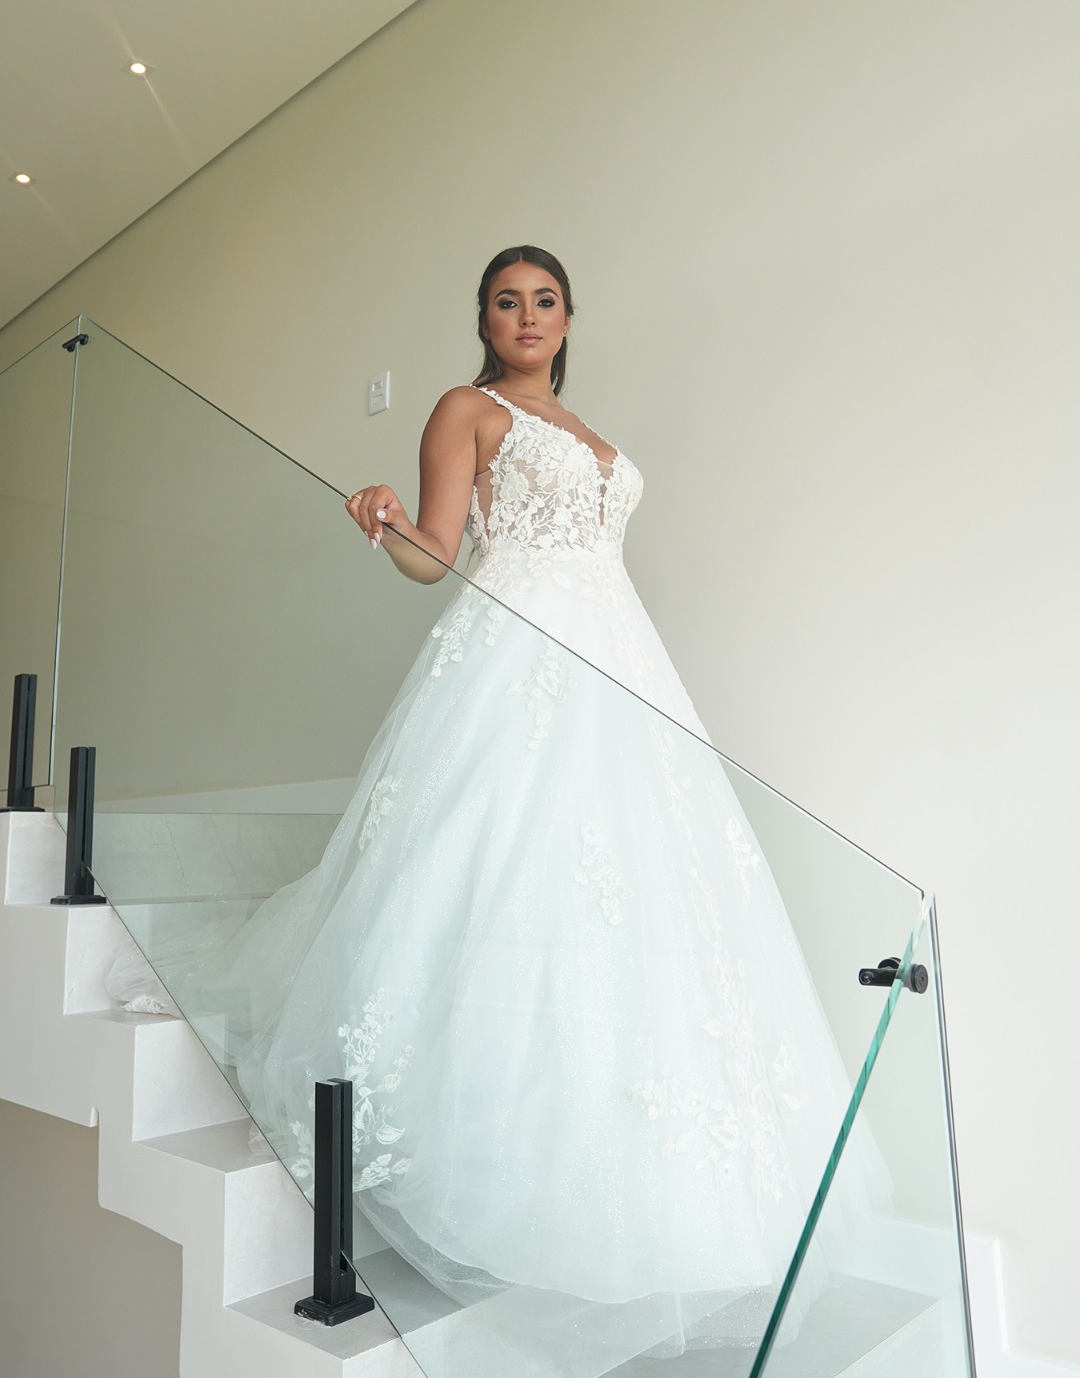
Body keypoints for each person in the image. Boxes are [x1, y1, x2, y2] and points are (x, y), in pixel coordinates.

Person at [182, 246, 890, 1376]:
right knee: (507, 868)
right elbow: (436, 555)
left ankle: (650, 1196)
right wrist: (382, 514)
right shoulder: (467, 409)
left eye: (544, 301)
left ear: (568, 319)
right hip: (515, 653)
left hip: (623, 665)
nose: (526, 315)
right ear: (483, 318)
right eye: (506, 301)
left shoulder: (590, 434)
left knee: (645, 897)